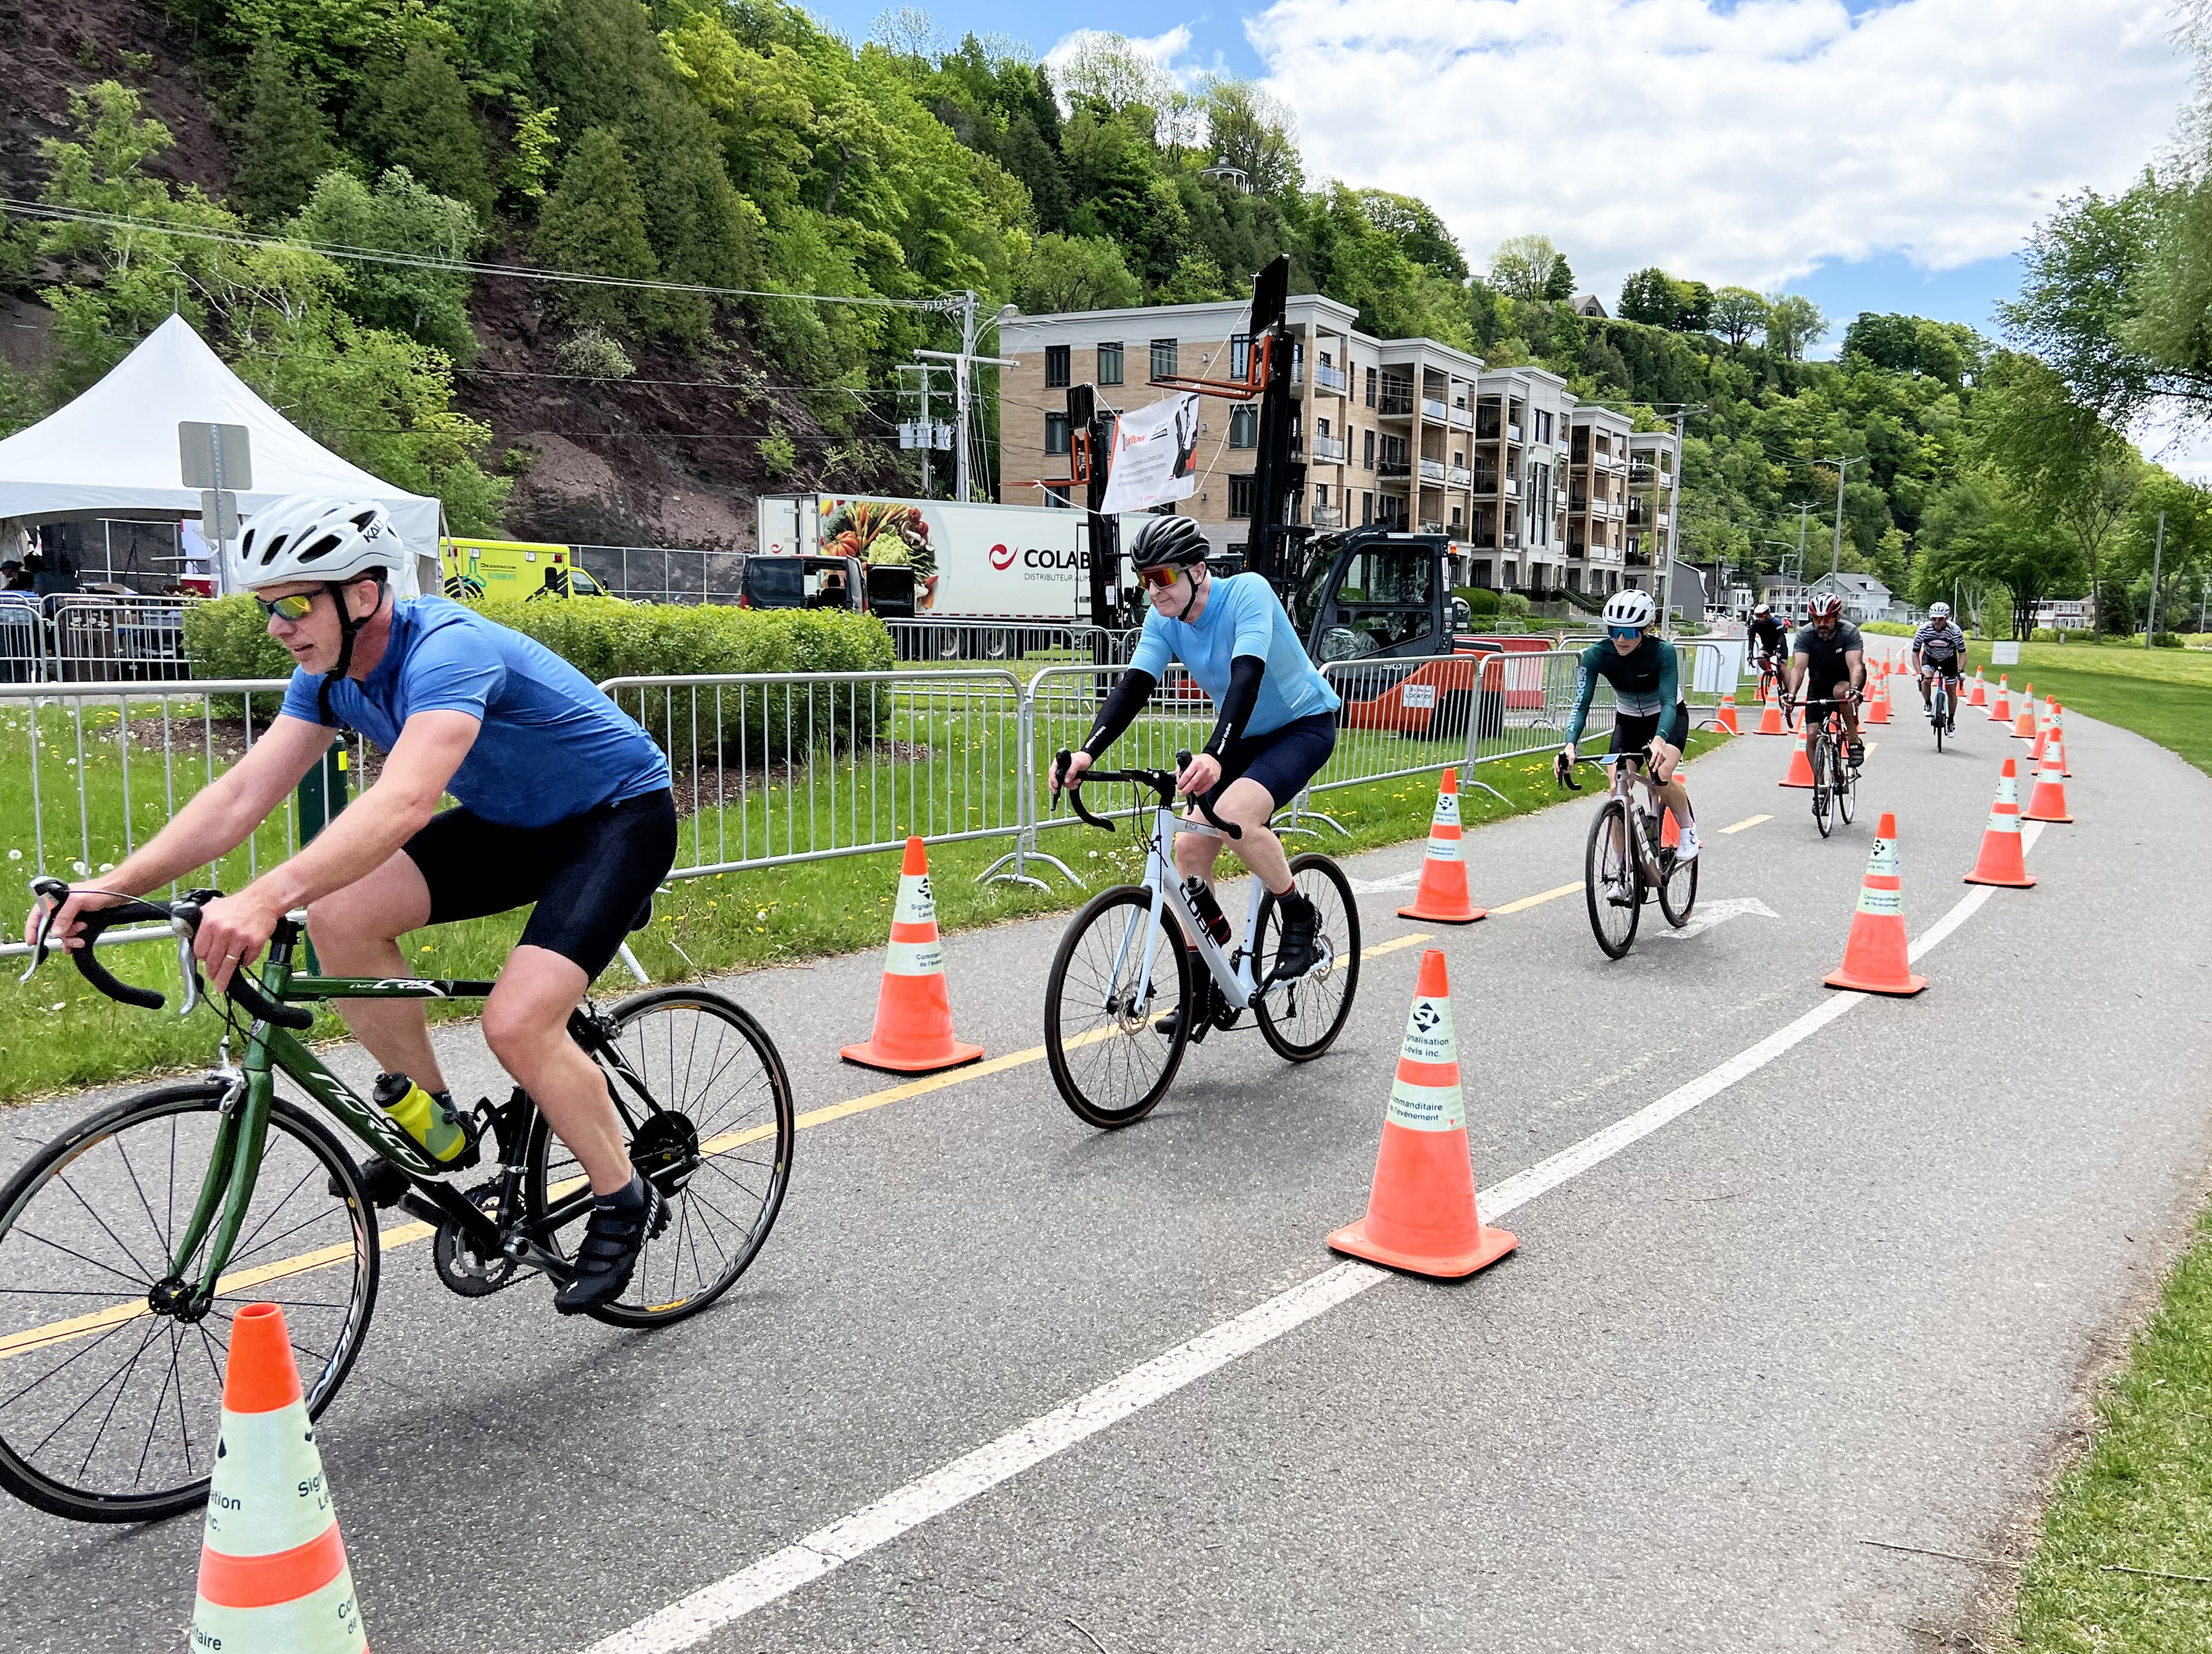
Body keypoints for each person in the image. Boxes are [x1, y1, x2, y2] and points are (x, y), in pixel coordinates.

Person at [26, 496, 678, 1315]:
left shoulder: (448, 648)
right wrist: (113, 885)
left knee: (518, 1022)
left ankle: (622, 1196)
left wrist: (264, 895)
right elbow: (240, 796)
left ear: (362, 594)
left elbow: (406, 800)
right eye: (268, 607)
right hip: (515, 823)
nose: (277, 626)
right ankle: (435, 1119)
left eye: (295, 603)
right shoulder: (327, 679)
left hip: (616, 818)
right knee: (338, 916)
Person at [1053, 514, 1339, 1041]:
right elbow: (1134, 686)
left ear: (1198, 570)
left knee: (1234, 816)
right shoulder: (1163, 620)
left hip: (1302, 725)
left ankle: (1298, 914)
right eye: (1144, 579)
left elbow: (1247, 677)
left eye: (1162, 577)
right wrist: (1088, 753)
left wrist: (1213, 753)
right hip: (1244, 735)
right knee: (1187, 848)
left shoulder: (1247, 594)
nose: (1153, 590)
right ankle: (1202, 984)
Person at [1553, 588, 1698, 864]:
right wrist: (1570, 746)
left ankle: (1688, 829)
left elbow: (1669, 703)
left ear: (1646, 629)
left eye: (1630, 632)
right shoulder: (1597, 655)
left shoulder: (1662, 652)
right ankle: (1621, 869)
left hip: (1666, 717)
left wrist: (1660, 739)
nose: (1621, 638)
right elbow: (1580, 704)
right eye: (1614, 630)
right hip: (1628, 721)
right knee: (1616, 788)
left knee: (1661, 773)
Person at [1787, 593, 1867, 765]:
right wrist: (1791, 694)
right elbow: (1798, 668)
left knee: (1840, 692)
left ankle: (1854, 742)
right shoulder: (1806, 634)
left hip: (1847, 680)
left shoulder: (1849, 632)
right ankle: (1821, 785)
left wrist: (1854, 689)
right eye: (1817, 619)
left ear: (1838, 617)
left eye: (1828, 619)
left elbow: (1856, 666)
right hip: (1819, 683)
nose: (1822, 624)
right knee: (1812, 735)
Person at [1912, 601, 1967, 730]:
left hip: (1949, 659)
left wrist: (1960, 670)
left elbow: (1963, 653)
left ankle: (1951, 721)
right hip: (1930, 658)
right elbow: (1915, 653)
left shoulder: (1955, 631)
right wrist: (1919, 672)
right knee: (1926, 679)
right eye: (1934, 618)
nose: (1937, 621)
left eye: (1940, 619)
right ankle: (1928, 703)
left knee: (1951, 689)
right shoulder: (1924, 630)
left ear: (1947, 618)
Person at [1747, 601, 1790, 690]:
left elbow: (1781, 636)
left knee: (1783, 668)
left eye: (1761, 616)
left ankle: (1789, 691)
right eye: (1757, 616)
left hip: (1780, 644)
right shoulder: (1755, 624)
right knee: (1760, 657)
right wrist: (1750, 654)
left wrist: (1778, 650)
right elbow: (1751, 640)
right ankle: (1771, 673)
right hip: (1767, 646)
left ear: (1767, 614)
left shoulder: (1775, 621)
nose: (1759, 619)